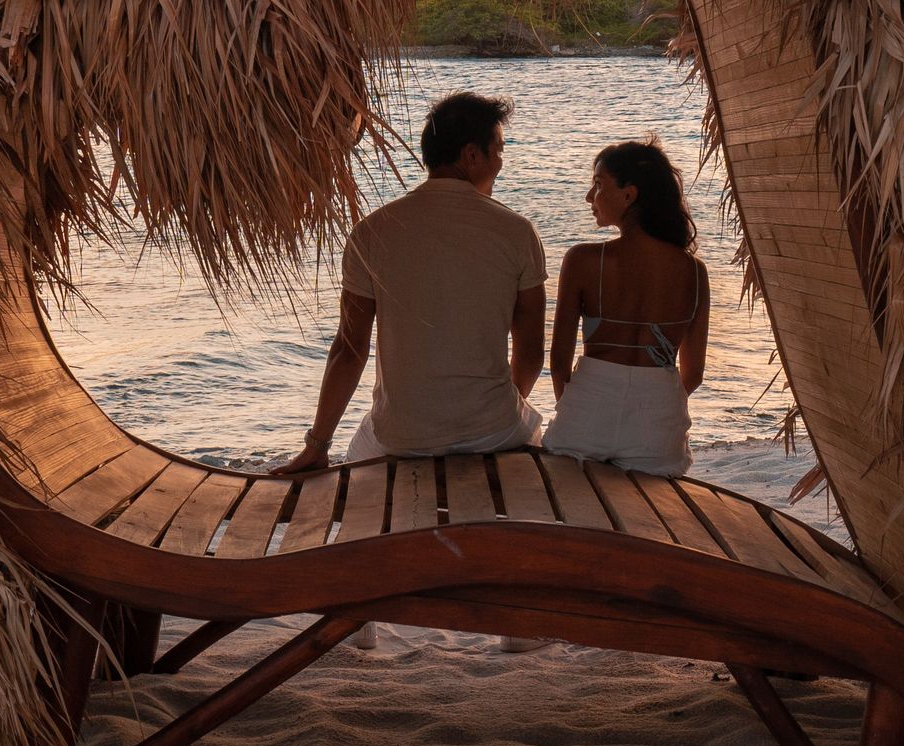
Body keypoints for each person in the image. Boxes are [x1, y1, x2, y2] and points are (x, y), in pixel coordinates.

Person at [275, 90, 546, 477]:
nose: (501, 163)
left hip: (401, 437)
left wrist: (317, 445)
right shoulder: (517, 232)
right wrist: (495, 410)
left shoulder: (371, 232)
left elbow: (349, 351)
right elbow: (531, 352)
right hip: (494, 431)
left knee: (360, 449)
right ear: (472, 155)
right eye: (498, 151)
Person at [543, 138, 708, 476]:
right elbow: (693, 374)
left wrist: (577, 409)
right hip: (657, 425)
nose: (590, 197)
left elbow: (559, 361)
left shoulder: (584, 260)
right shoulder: (694, 271)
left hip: (588, 411)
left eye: (599, 185)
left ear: (629, 195)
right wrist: (651, 402)